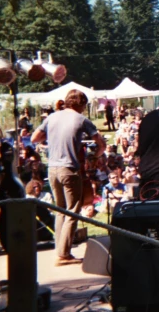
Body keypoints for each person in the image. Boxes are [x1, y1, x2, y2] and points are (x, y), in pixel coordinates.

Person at [31, 89, 105, 266]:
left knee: (60, 211)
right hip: (70, 169)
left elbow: (34, 138)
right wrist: (95, 156)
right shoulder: (81, 119)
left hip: (53, 169)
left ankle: (60, 250)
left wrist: (53, 141)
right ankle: (63, 255)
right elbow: (101, 144)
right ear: (81, 104)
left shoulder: (52, 117)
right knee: (72, 211)